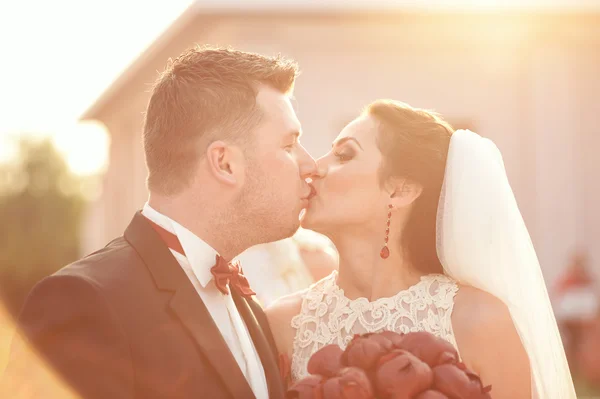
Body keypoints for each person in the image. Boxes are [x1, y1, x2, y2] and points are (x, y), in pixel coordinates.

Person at [1, 46, 317, 399]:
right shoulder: (83, 302)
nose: (310, 165)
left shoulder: (250, 310)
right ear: (225, 163)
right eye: (289, 145)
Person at [266, 100, 576, 398]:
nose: (313, 167)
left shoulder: (480, 321)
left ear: (401, 190)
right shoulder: (282, 324)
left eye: (344, 155)